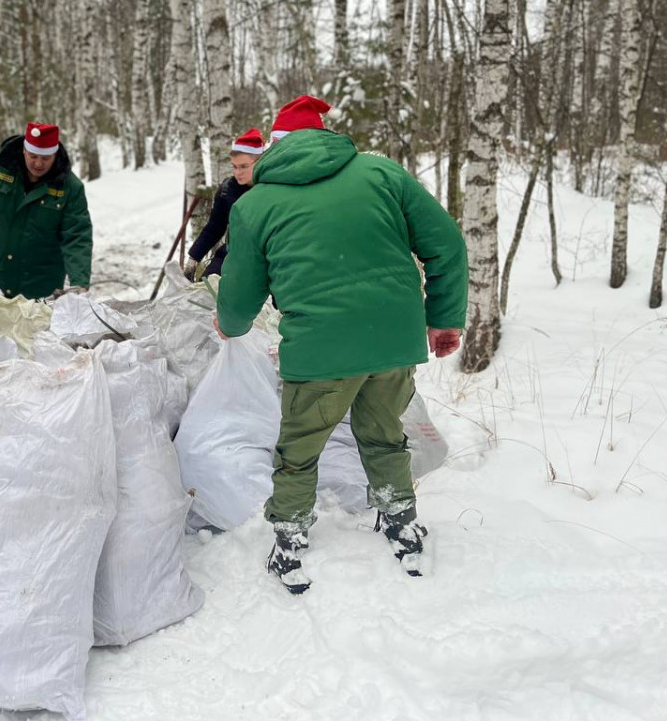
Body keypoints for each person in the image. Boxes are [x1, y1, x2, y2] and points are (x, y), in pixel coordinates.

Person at [215, 94, 467, 593]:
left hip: (320, 349)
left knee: (300, 448)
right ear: (326, 135)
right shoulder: (382, 174)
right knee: (383, 432)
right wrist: (442, 319)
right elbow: (447, 244)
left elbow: (240, 293)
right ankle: (401, 523)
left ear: (275, 147)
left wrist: (231, 323)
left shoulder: (256, 203)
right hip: (393, 339)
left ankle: (289, 540)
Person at [0, 122, 92, 299]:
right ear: (24, 150)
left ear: (55, 155)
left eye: (46, 158)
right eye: (33, 156)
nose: (39, 163)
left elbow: (77, 235)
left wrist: (79, 281)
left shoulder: (70, 187)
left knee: (34, 324)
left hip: (41, 284)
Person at [184, 128, 265, 280]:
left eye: (243, 166)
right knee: (206, 287)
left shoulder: (272, 188)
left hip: (265, 259)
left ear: (260, 162)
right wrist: (194, 257)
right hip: (232, 253)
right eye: (234, 166)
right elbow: (215, 227)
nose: (237, 172)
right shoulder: (227, 190)